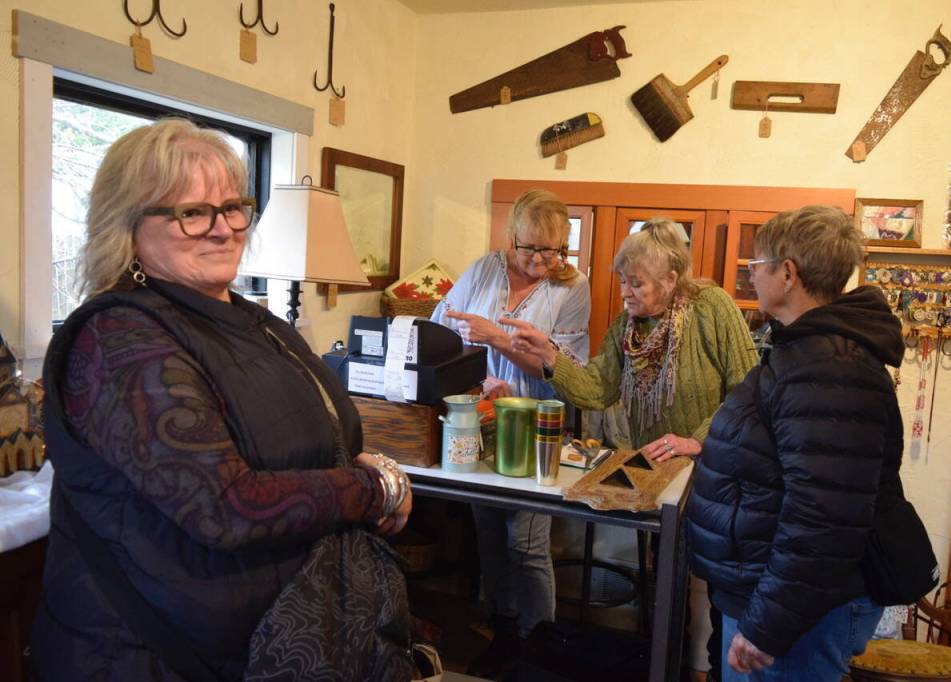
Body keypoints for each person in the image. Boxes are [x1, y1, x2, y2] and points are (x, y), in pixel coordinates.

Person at [33, 119, 415, 682]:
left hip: (282, 637)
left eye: (233, 206)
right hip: (150, 654)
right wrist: (376, 488)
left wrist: (359, 469)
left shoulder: (249, 319)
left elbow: (319, 441)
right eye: (191, 212)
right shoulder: (118, 341)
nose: (223, 229)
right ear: (128, 226)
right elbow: (227, 507)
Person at [505, 217, 759, 680]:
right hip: (659, 480)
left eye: (636, 282)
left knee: (720, 586)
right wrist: (549, 355)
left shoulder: (711, 307)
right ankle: (664, 663)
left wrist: (697, 439)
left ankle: (711, 670)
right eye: (622, 280)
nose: (625, 291)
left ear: (671, 279)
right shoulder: (628, 324)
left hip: (716, 470)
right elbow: (597, 388)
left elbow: (746, 388)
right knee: (665, 580)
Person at [686, 205, 904, 681]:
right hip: (774, 597)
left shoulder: (830, 368)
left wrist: (767, 626)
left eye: (754, 265)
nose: (750, 277)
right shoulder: (804, 351)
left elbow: (824, 519)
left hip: (796, 614)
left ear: (787, 273)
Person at [430, 189, 590, 676]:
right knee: (489, 533)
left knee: (525, 540)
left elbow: (566, 368)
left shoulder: (572, 287)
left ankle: (539, 640)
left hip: (537, 425)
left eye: (554, 249)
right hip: (481, 416)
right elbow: (442, 329)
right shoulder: (483, 269)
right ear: (510, 237)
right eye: (531, 249)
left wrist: (499, 338)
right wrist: (479, 376)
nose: (542, 260)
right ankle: (501, 630)